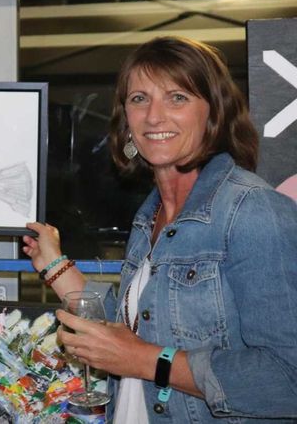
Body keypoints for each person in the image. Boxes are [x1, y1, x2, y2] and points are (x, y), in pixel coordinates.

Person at [22, 36, 297, 422]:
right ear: (126, 119)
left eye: (177, 97)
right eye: (139, 99)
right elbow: (135, 330)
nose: (153, 117)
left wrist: (147, 361)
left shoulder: (253, 211)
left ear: (214, 113)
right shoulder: (150, 217)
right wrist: (54, 264)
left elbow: (287, 379)